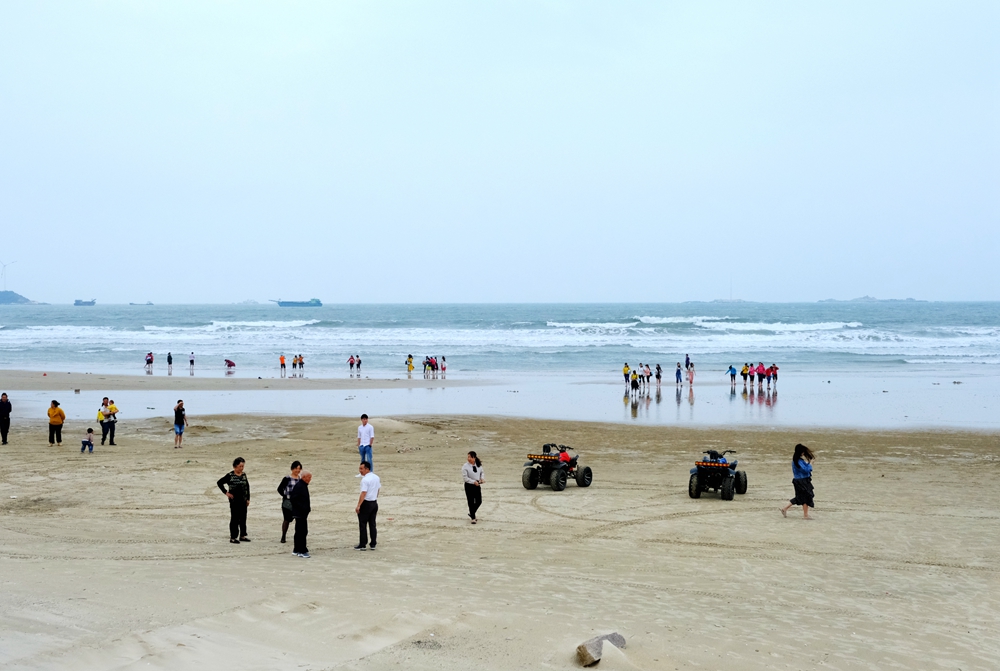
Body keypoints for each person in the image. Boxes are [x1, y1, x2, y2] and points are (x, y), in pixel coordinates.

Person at [218, 457, 251, 543]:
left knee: (243, 518)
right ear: (235, 466)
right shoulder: (230, 476)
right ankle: (233, 537)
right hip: (234, 501)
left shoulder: (244, 475)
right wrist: (226, 492)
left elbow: (247, 487)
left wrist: (248, 499)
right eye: (240, 466)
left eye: (243, 466)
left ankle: (242, 535)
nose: (242, 468)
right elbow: (219, 482)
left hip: (243, 500)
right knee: (235, 518)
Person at [781, 444, 815, 519]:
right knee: (806, 497)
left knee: (801, 497)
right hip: (802, 481)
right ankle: (805, 515)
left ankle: (785, 509)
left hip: (800, 481)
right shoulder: (797, 461)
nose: (803, 453)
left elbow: (805, 469)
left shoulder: (797, 461)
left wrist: (809, 464)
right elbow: (806, 470)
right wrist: (810, 464)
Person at [355, 461, 380, 550]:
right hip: (374, 502)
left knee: (363, 524)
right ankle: (373, 543)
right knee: (372, 524)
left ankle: (363, 544)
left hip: (366, 503)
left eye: (362, 469)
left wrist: (358, 505)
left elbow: (363, 493)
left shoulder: (365, 480)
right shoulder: (376, 477)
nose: (360, 470)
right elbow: (378, 489)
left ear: (367, 469)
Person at [277, 460, 302, 544]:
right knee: (287, 519)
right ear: (292, 469)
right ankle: (283, 536)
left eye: (299, 469)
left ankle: (297, 537)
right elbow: (279, 489)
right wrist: (285, 496)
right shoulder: (287, 478)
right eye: (296, 468)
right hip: (288, 502)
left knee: (298, 520)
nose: (297, 470)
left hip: (297, 502)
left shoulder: (300, 479)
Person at [290, 470, 312, 557]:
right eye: (309, 477)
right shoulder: (300, 486)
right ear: (304, 477)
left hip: (301, 513)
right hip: (300, 513)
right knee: (302, 531)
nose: (310, 479)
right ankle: (302, 551)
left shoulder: (303, 485)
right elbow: (293, 499)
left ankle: (297, 549)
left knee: (299, 531)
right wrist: (303, 508)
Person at [462, 451, 484, 524]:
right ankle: (473, 517)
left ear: (474, 458)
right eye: (468, 457)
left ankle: (472, 512)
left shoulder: (478, 465)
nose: (468, 458)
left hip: (477, 485)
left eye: (470, 457)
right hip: (469, 485)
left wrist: (482, 479)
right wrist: (473, 482)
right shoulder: (465, 466)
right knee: (471, 501)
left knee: (479, 501)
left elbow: (482, 472)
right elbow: (465, 478)